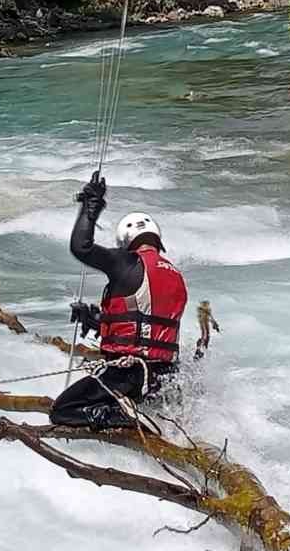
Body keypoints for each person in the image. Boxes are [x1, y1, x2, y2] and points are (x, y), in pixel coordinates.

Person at [51, 175, 188, 429]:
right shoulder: (175, 275)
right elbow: (145, 321)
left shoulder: (127, 262)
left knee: (62, 410)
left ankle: (123, 418)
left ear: (126, 241)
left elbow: (82, 247)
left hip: (128, 374)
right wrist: (97, 320)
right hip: (163, 377)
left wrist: (91, 206)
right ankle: (131, 416)